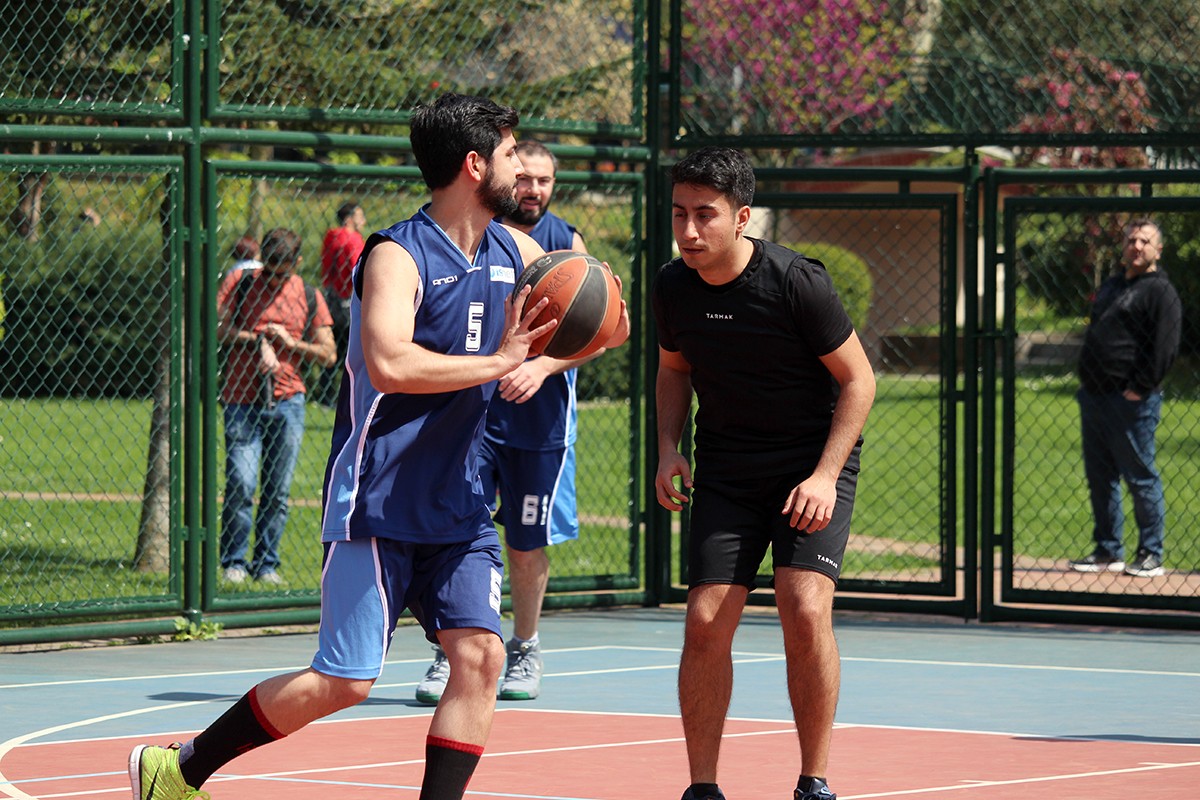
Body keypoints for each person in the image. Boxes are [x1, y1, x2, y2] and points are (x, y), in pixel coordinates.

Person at [127, 93, 592, 800]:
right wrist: (500, 362)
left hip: (461, 503)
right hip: (378, 498)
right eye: (508, 155)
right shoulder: (397, 255)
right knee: (344, 680)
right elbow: (390, 362)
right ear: (474, 165)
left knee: (480, 657)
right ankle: (179, 768)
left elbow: (605, 319)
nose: (521, 169)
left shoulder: (518, 251)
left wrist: (579, 323)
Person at [653, 147, 875, 800]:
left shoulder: (796, 282)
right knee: (704, 622)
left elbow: (859, 380)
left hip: (810, 465)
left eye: (705, 215)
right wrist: (668, 448)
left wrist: (825, 476)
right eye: (679, 214)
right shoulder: (672, 286)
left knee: (803, 608)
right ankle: (702, 788)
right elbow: (673, 369)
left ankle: (813, 780)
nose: (689, 230)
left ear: (742, 217)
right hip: (728, 470)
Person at [415, 140, 628, 704]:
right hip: (477, 421)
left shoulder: (564, 244)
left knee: (526, 545)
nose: (532, 188)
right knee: (455, 536)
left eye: (543, 180)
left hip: (539, 427)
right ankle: (449, 650)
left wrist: (542, 367)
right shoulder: (479, 236)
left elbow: (606, 334)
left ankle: (526, 646)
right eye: (524, 176)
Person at [216, 228, 336, 586]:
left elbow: (328, 354)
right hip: (241, 397)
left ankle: (266, 563)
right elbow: (218, 329)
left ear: (296, 264)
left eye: (280, 274)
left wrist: (289, 343)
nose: (272, 280)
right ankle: (234, 561)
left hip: (288, 401)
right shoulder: (241, 282)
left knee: (277, 490)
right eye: (268, 271)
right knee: (241, 481)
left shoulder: (309, 295)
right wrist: (259, 340)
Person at [1068, 219, 1181, 579]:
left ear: (1158, 250)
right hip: (1094, 396)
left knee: (1140, 477)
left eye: (1145, 241)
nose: (1136, 246)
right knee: (1100, 478)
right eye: (1132, 240)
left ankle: (1150, 553)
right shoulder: (1113, 285)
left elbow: (1165, 348)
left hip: (1131, 402)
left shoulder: (1160, 291)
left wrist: (1139, 388)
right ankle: (1107, 550)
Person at [316, 201, 368, 404]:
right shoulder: (353, 239)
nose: (363, 221)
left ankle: (325, 395)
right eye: (359, 216)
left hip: (331, 299)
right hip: (348, 301)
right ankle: (350, 395)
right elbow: (358, 269)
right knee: (351, 351)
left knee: (332, 348)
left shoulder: (331, 237)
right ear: (349, 219)